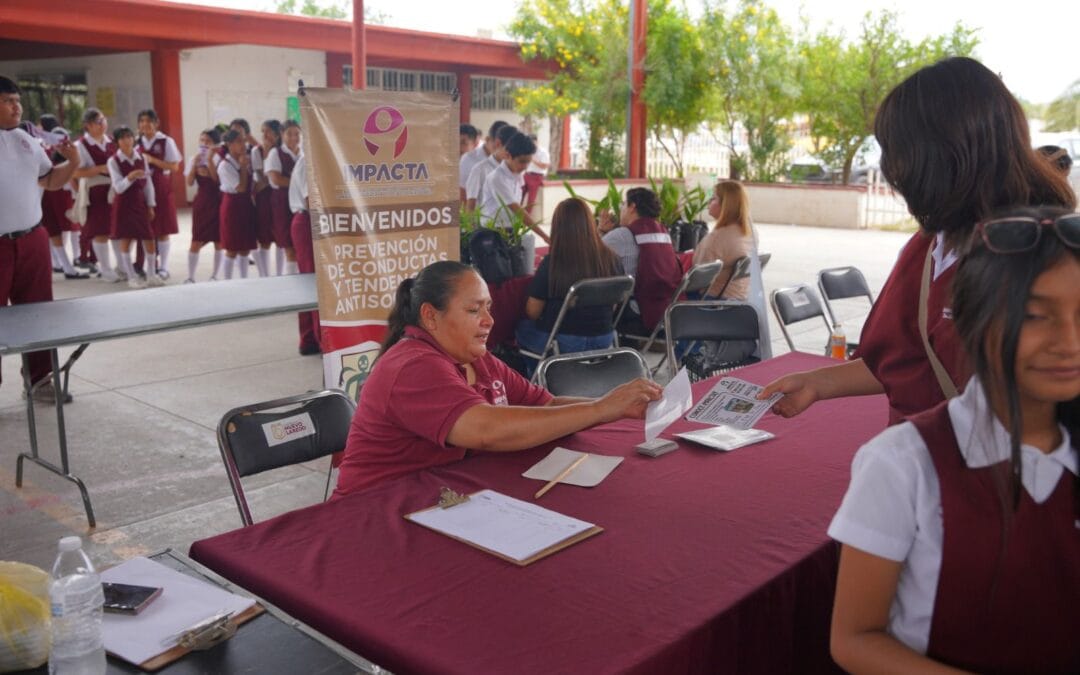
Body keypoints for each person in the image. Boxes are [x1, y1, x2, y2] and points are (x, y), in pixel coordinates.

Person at [828, 206, 1080, 673]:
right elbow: (855, 637)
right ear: (972, 323)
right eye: (1035, 316)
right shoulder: (902, 465)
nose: (1068, 340)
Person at [759, 57, 1075, 425]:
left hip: (986, 477)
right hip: (921, 464)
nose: (889, 168)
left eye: (896, 150)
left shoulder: (1044, 259)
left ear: (944, 153)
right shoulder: (930, 244)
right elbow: (907, 359)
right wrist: (819, 382)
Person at [332, 260, 662, 497]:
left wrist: (617, 407)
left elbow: (545, 405)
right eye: (474, 310)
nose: (489, 320)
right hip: (374, 508)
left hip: (437, 497)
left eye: (488, 308)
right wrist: (602, 409)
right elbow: (488, 430)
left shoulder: (478, 359)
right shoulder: (413, 366)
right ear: (430, 316)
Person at [1, 75, 81, 401]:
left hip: (32, 239)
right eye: (8, 101)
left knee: (37, 313)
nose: (16, 106)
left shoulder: (26, 140)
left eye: (18, 100)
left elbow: (48, 181)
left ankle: (39, 379)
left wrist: (73, 162)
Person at [515, 198, 623, 371]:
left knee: (522, 328)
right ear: (590, 223)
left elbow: (533, 312)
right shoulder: (612, 259)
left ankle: (539, 383)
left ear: (557, 228)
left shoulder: (553, 263)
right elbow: (614, 306)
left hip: (563, 342)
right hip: (604, 338)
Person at [598, 187, 681, 332]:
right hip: (667, 309)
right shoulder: (662, 231)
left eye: (623, 204)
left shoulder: (621, 235)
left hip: (635, 310)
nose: (621, 209)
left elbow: (588, 255)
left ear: (632, 207)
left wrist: (600, 232)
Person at [107, 126, 160, 288]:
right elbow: (118, 188)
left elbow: (148, 184)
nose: (127, 140)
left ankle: (151, 275)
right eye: (122, 138)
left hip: (139, 202)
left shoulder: (141, 158)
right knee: (126, 239)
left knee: (148, 237)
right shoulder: (113, 161)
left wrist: (151, 204)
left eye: (129, 136)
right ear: (117, 142)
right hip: (124, 204)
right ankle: (131, 277)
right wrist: (130, 177)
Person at [478, 131, 550, 244]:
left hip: (510, 230)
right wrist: (545, 236)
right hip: (493, 233)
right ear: (508, 155)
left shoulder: (518, 174)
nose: (525, 166)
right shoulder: (497, 178)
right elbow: (517, 209)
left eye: (528, 162)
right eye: (522, 162)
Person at [136, 109, 182, 280]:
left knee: (163, 227)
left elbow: (175, 166)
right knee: (144, 227)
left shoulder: (166, 141)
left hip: (161, 186)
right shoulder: (135, 142)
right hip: (141, 187)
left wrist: (153, 160)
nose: (145, 124)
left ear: (157, 123)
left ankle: (163, 267)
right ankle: (145, 265)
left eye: (149, 121)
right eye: (141, 121)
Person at [73, 108, 119, 281]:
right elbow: (75, 173)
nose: (102, 125)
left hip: (115, 189)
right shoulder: (81, 145)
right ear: (88, 126)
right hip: (95, 190)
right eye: (98, 122)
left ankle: (120, 266)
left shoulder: (112, 141)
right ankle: (105, 269)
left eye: (103, 120)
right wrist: (99, 169)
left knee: (117, 230)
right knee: (101, 231)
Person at [39, 127, 88, 279]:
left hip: (52, 196)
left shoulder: (52, 153)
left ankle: (64, 264)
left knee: (59, 231)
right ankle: (63, 264)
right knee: (57, 231)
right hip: (48, 196)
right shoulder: (43, 152)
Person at [692, 180, 752, 300]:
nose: (708, 202)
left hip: (712, 299)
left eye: (713, 198)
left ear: (726, 205)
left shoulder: (717, 238)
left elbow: (697, 279)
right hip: (740, 298)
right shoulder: (749, 232)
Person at [288, 150, 321, 355]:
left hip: (311, 221)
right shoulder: (308, 160)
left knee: (311, 282)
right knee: (314, 283)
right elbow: (312, 202)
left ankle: (309, 338)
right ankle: (318, 340)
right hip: (309, 221)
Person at [184, 128, 223, 283]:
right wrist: (194, 166)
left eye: (208, 141)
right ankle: (190, 276)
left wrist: (210, 163)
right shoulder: (194, 158)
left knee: (218, 240)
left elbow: (218, 181)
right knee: (196, 239)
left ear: (215, 143)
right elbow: (189, 182)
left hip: (217, 201)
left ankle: (215, 275)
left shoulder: (219, 158)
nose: (204, 144)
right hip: (202, 202)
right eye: (202, 140)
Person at [216, 129, 255, 279]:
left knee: (245, 247)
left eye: (244, 141)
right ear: (229, 145)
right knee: (232, 247)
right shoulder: (225, 165)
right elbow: (241, 188)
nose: (243, 145)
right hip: (232, 207)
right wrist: (244, 167)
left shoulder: (243, 159)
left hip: (245, 206)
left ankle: (244, 280)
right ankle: (227, 281)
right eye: (239, 142)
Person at [265, 119, 300, 275]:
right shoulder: (275, 153)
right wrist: (300, 183)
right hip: (282, 203)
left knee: (301, 245)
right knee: (289, 247)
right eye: (289, 134)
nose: (293, 137)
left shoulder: (304, 152)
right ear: (282, 135)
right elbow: (276, 179)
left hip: (300, 203)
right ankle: (291, 280)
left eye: (297, 134)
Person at [466, 123, 517, 212]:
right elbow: (471, 204)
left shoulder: (515, 170)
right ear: (498, 144)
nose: (512, 154)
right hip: (485, 224)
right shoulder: (480, 169)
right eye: (509, 149)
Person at [250, 120, 279, 276]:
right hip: (264, 197)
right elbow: (263, 175)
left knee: (281, 238)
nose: (264, 135)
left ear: (277, 133)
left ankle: (282, 274)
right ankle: (265, 274)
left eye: (267, 131)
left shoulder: (283, 149)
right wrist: (267, 153)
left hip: (280, 196)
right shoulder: (257, 151)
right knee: (265, 237)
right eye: (263, 131)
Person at [459, 119, 505, 203]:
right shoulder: (468, 159)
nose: (500, 150)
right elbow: (462, 191)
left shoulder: (507, 160)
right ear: (488, 139)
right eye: (497, 146)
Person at [523, 133, 549, 216]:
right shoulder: (528, 150)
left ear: (536, 141)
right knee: (518, 194)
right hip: (526, 174)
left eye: (533, 142)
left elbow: (545, 166)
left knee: (531, 200)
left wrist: (533, 160)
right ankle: (515, 217)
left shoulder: (543, 152)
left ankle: (525, 220)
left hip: (536, 176)